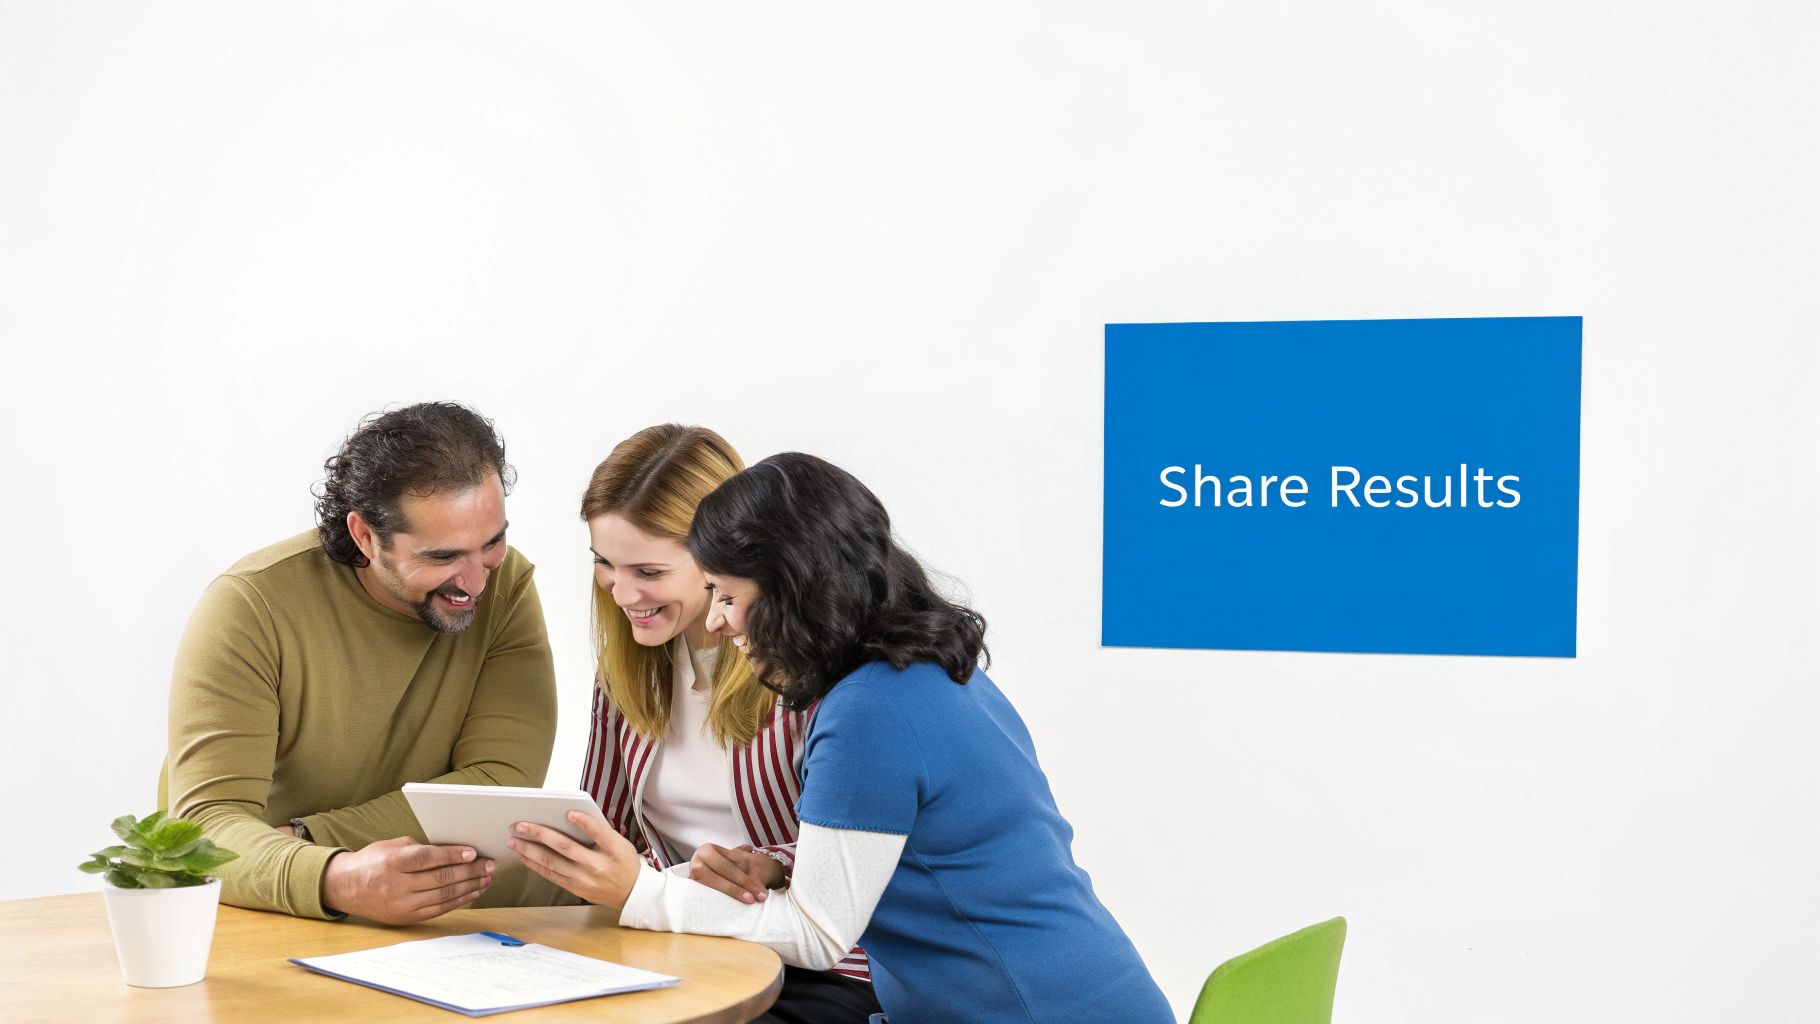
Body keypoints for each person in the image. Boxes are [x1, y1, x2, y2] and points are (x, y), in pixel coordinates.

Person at [511, 452, 1173, 1024]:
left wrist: (640, 891)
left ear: (793, 591)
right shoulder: (926, 672)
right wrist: (780, 865)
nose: (716, 622)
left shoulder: (868, 709)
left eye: (728, 596)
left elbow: (817, 934)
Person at [162, 402, 558, 922]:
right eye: (441, 557)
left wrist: (307, 839)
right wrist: (335, 876)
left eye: (493, 542)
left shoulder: (506, 587)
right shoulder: (250, 605)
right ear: (365, 536)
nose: (476, 581)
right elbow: (205, 830)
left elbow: (501, 785)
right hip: (279, 914)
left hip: (449, 918)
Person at [575, 425, 882, 1023]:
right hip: (679, 943)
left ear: (721, 557)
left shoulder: (815, 672)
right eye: (605, 564)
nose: (621, 593)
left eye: (648, 571)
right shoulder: (627, 668)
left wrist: (769, 862)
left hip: (818, 965)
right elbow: (605, 830)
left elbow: (861, 855)